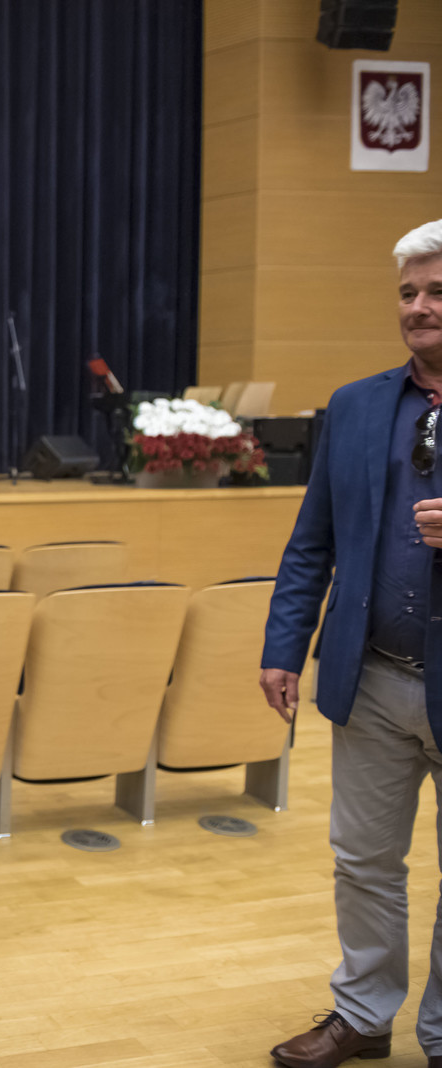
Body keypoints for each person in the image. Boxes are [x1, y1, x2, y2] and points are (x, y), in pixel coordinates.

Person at [262, 217, 442, 1068]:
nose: (418, 307)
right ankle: (365, 1015)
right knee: (364, 861)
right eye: (407, 293)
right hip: (370, 678)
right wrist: (284, 645)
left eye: (437, 291)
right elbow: (313, 540)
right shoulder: (357, 405)